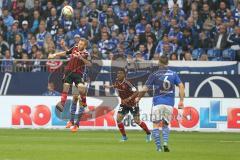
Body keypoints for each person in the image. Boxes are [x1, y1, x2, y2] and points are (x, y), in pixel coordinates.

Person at [136, 55, 185, 152]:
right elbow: (181, 86)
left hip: (158, 102)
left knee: (155, 125)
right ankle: (165, 143)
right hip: (169, 103)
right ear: (167, 63)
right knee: (165, 125)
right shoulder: (174, 74)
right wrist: (181, 100)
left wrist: (139, 98)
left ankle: (158, 148)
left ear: (159, 63)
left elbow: (145, 88)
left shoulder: (154, 74)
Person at [48, 38, 91, 133]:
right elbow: (67, 52)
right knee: (75, 97)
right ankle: (71, 121)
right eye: (79, 43)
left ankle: (77, 123)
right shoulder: (75, 48)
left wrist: (81, 58)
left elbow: (89, 64)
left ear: (85, 46)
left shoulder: (86, 54)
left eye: (81, 44)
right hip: (70, 73)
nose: (79, 45)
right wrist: (55, 54)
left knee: (80, 98)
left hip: (82, 76)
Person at [104, 69, 151, 142]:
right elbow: (116, 85)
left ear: (124, 75)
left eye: (120, 73)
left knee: (137, 121)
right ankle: (124, 137)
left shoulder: (128, 83)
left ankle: (148, 133)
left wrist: (129, 98)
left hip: (133, 104)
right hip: (124, 104)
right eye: (118, 73)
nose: (118, 75)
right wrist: (109, 86)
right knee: (118, 119)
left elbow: (136, 92)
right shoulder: (117, 82)